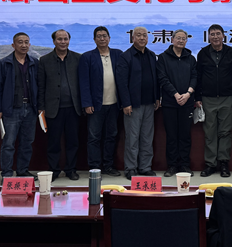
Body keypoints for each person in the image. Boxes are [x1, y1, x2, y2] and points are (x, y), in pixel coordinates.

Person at [0, 32, 39, 180]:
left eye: (26, 42)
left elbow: (39, 85)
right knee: (8, 144)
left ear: (29, 44)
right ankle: (7, 174)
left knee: (27, 143)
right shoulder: (4, 63)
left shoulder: (34, 63)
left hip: (30, 109)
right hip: (11, 109)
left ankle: (22, 171)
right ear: (13, 45)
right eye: (20, 42)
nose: (23, 45)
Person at [115, 26, 159, 180]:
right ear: (132, 38)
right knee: (132, 138)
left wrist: (157, 97)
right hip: (133, 105)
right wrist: (126, 103)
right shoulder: (126, 56)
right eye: (138, 35)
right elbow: (121, 82)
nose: (142, 38)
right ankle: (131, 168)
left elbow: (155, 79)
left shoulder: (151, 55)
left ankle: (145, 167)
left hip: (149, 103)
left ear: (148, 38)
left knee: (147, 137)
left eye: (144, 35)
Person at [38, 30, 82, 181]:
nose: (63, 42)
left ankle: (71, 169)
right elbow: (41, 86)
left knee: (73, 142)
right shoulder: (44, 60)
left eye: (65, 39)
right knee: (53, 142)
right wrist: (41, 106)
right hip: (52, 108)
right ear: (54, 41)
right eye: (59, 39)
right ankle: (54, 170)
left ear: (69, 40)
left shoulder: (78, 58)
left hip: (74, 108)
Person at [195, 24, 232, 178]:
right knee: (210, 132)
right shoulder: (203, 53)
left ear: (223, 36)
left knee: (225, 132)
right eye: (212, 34)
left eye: (218, 34)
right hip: (208, 98)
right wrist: (197, 97)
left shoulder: (231, 52)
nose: (215, 37)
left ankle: (224, 163)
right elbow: (198, 76)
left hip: (227, 97)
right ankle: (210, 164)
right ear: (208, 37)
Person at [78, 26, 123, 177]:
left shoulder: (118, 54)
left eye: (104, 36)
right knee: (94, 137)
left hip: (114, 104)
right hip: (95, 105)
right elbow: (84, 82)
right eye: (99, 36)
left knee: (111, 136)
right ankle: (95, 167)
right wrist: (87, 103)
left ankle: (108, 166)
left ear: (109, 38)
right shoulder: (87, 57)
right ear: (94, 39)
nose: (102, 38)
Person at [157, 29, 198, 178]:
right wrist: (175, 94)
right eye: (178, 38)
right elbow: (162, 78)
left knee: (185, 135)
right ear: (172, 40)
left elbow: (195, 77)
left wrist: (188, 94)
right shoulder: (163, 58)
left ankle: (184, 165)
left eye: (183, 38)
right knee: (172, 136)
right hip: (170, 102)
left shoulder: (191, 58)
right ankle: (172, 165)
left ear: (186, 41)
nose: (181, 41)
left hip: (187, 102)